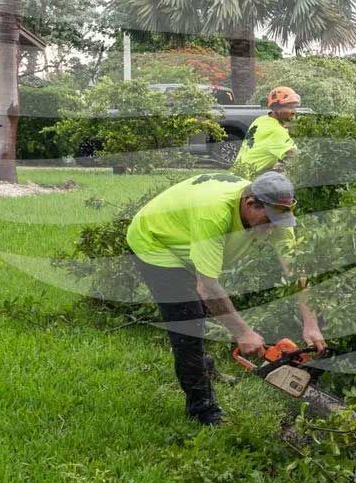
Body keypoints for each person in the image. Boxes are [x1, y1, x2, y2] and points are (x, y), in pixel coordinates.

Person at [126, 170, 325, 425]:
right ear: (250, 204)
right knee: (188, 324)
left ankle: (203, 365)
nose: (276, 228)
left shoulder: (278, 214)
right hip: (154, 242)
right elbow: (208, 287)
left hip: (187, 239)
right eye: (270, 221)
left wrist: (311, 323)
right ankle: (203, 410)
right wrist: (243, 332)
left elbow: (297, 271)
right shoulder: (214, 213)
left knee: (201, 308)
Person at [233, 86, 301, 179]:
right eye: (289, 107)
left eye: (295, 107)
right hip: (252, 182)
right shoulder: (276, 131)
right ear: (276, 108)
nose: (293, 111)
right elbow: (296, 156)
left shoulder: (261, 120)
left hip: (238, 174)